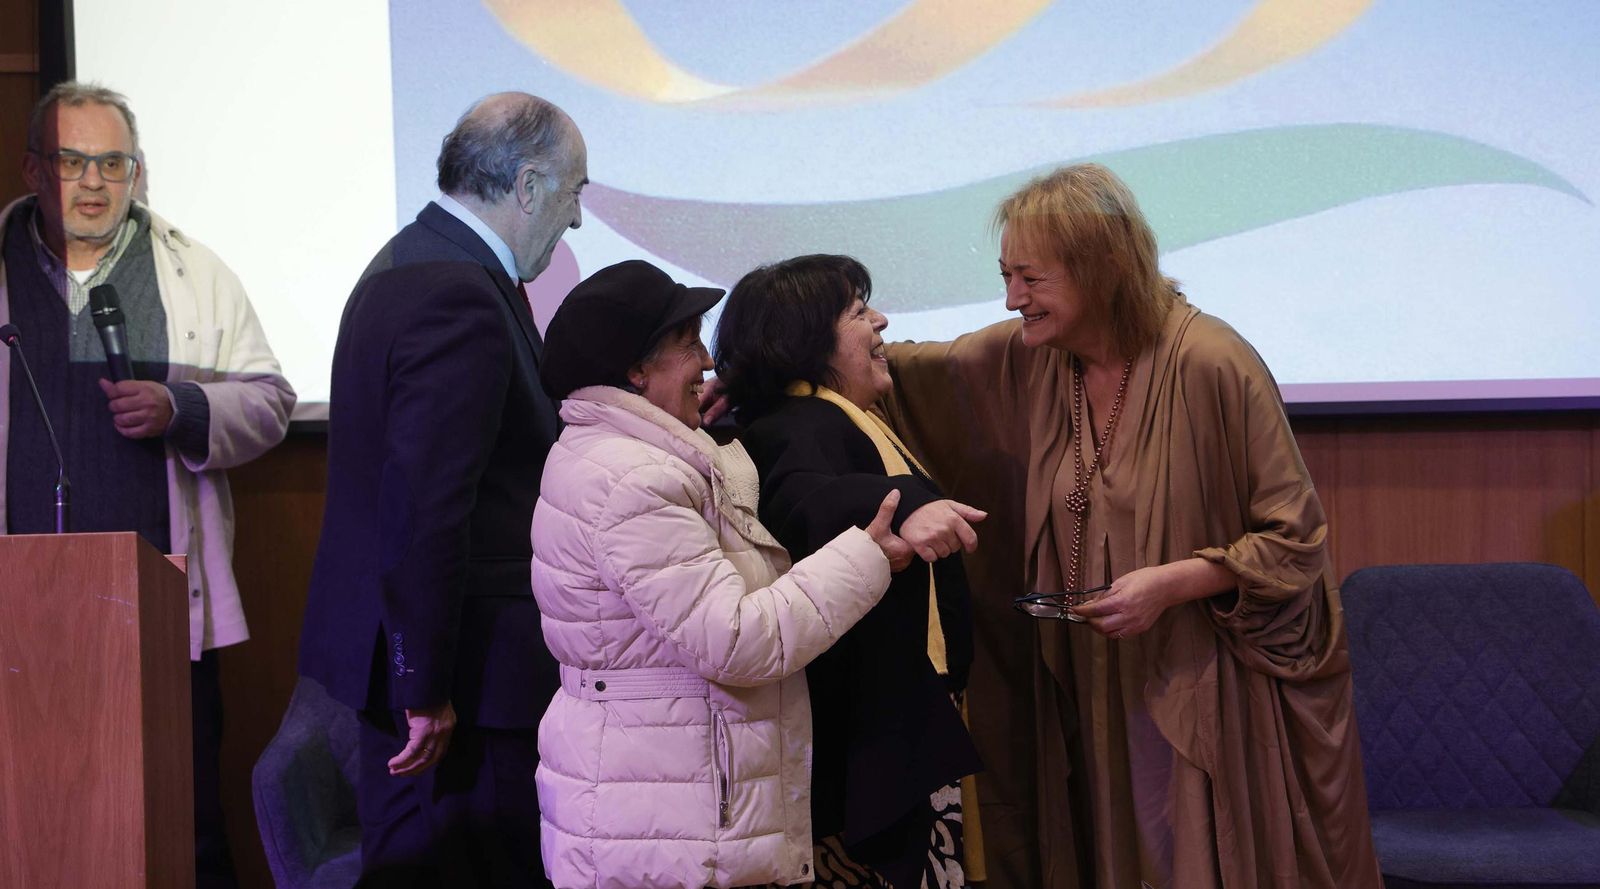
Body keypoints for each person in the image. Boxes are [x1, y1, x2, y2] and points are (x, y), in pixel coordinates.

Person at [875, 163, 1383, 888]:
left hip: (1203, 681)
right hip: (1090, 682)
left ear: (1102, 269)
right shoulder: (1037, 358)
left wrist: (1173, 583)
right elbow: (913, 371)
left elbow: (1295, 539)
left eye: (1030, 278)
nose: (1012, 297)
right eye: (1006, 276)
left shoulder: (1212, 362)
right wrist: (779, 363)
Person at [530, 258, 911, 888]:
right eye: (687, 345)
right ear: (635, 371)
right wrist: (866, 558)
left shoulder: (620, 455)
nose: (707, 362)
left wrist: (720, 416)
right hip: (669, 830)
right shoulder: (635, 481)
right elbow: (736, 641)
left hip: (657, 811)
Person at [0, 81, 296, 889]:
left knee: (184, 824)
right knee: (33, 822)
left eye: (112, 163)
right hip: (15, 615)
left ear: (140, 173)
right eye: (71, 162)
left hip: (160, 613)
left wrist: (184, 406)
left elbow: (271, 401)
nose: (93, 183)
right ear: (33, 169)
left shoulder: (192, 272)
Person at [298, 92, 585, 887]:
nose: (576, 220)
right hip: (458, 689)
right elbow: (427, 507)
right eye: (574, 193)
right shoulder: (458, 292)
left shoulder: (410, 259)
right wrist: (424, 687)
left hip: (438, 673)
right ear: (528, 186)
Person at [714, 254, 986, 888]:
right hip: (871, 736)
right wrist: (901, 509)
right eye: (860, 313)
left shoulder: (833, 416)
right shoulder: (796, 426)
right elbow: (803, 503)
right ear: (806, 342)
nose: (882, 321)